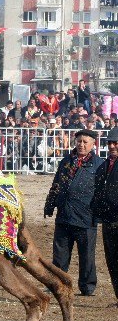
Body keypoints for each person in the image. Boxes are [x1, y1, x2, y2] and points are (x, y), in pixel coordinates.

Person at [44, 129, 104, 296]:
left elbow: (102, 192)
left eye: (85, 142)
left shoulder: (99, 165)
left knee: (87, 256)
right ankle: (57, 284)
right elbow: (56, 183)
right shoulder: (66, 161)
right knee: (60, 255)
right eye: (79, 141)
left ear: (93, 145)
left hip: (86, 217)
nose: (81, 144)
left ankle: (87, 287)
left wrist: (100, 213)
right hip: (64, 215)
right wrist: (50, 205)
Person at [91, 128, 118, 304]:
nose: (112, 146)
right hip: (108, 220)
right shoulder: (104, 166)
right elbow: (97, 191)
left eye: (115, 143)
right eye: (110, 143)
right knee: (112, 261)